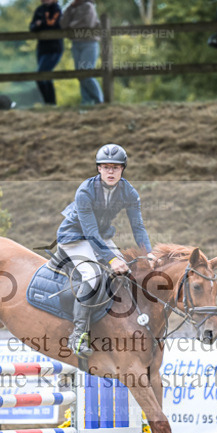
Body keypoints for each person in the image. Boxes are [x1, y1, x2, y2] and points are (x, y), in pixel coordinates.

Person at [55, 144, 154, 357]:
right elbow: (90, 233)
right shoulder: (85, 191)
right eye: (106, 167)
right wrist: (110, 260)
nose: (111, 171)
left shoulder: (129, 192)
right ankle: (78, 335)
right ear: (98, 169)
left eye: (115, 167)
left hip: (100, 236)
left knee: (127, 272)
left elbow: (138, 227)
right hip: (75, 237)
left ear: (122, 169)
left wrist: (149, 254)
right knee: (93, 276)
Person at [60, 0, 104, 105]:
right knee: (80, 74)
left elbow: (87, 24)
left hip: (89, 43)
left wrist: (72, 26)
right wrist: (69, 10)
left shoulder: (89, 7)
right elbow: (63, 24)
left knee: (86, 72)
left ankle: (99, 100)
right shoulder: (71, 8)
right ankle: (86, 101)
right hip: (76, 43)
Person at [29, 0, 63, 105]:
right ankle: (49, 103)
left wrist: (41, 24)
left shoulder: (56, 9)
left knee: (41, 75)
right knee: (45, 76)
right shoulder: (39, 10)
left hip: (54, 48)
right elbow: (32, 27)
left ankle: (51, 103)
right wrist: (38, 25)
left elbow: (53, 24)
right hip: (42, 48)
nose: (45, 0)